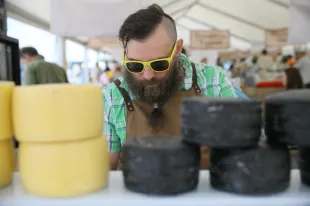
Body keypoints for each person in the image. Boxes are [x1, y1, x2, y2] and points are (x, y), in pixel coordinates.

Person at [103, 4, 237, 170]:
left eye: (159, 64)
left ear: (178, 49)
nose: (148, 75)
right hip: (137, 193)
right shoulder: (112, 96)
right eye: (135, 65)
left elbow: (235, 151)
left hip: (200, 193)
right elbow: (106, 170)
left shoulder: (213, 81)